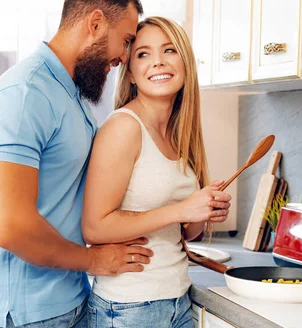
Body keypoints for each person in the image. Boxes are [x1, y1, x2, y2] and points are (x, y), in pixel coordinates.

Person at [0, 0, 154, 328]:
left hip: (67, 299)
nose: (124, 57)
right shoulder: (24, 96)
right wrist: (92, 260)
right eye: (126, 41)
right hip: (23, 314)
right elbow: (13, 229)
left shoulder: (72, 93)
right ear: (96, 23)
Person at [82, 16, 232, 327]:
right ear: (132, 74)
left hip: (177, 299)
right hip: (129, 307)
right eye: (143, 54)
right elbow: (94, 228)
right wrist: (182, 208)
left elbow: (184, 232)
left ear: (185, 62)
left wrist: (203, 209)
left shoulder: (180, 133)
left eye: (169, 50)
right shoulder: (123, 127)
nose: (158, 62)